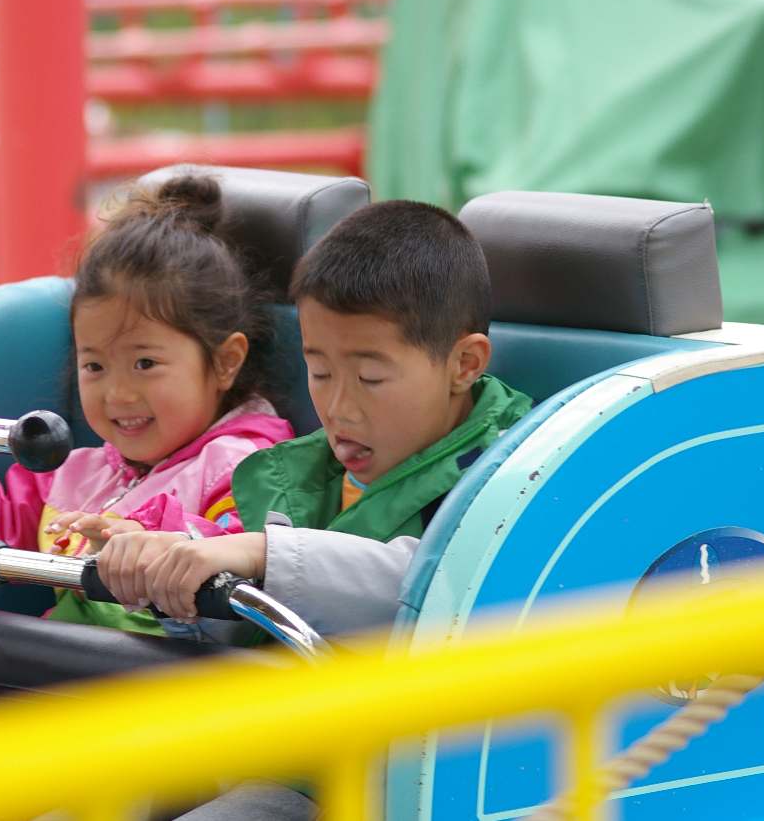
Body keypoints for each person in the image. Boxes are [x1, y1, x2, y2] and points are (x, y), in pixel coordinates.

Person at [0, 175, 294, 634]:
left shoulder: (250, 467)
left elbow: (248, 559)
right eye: (95, 367)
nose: (118, 394)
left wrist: (147, 542)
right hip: (70, 671)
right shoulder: (78, 473)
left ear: (226, 361)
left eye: (145, 363)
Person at [96, 199, 534, 637]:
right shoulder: (300, 476)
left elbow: (434, 583)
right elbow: (244, 631)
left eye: (370, 377)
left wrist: (263, 555)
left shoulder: (518, 479)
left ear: (464, 364)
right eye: (320, 373)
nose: (338, 408)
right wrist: (172, 568)